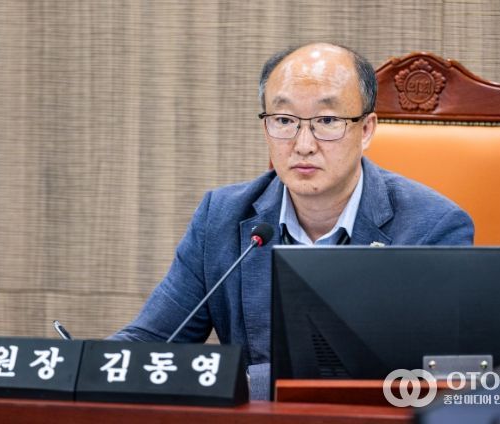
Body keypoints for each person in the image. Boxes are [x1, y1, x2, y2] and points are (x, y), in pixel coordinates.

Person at [109, 43, 474, 399]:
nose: (303, 145)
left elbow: (440, 375)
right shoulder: (221, 217)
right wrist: (88, 367)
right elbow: (151, 341)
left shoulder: (433, 226)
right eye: (284, 121)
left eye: (327, 121)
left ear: (366, 130)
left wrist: (247, 383)